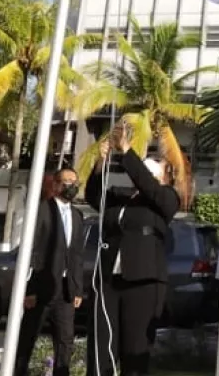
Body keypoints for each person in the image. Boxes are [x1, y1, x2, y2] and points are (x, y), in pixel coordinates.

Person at [85, 125, 181, 376]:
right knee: (101, 345)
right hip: (109, 280)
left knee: (135, 348)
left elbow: (150, 188)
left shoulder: (167, 199)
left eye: (150, 172)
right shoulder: (121, 197)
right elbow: (95, 197)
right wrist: (100, 164)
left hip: (143, 282)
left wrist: (127, 152)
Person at [15, 167, 86, 376]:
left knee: (65, 341)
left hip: (66, 291)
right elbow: (34, 251)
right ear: (56, 185)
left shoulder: (77, 215)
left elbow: (78, 255)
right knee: (28, 337)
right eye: (66, 182)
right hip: (41, 288)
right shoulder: (42, 211)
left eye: (74, 182)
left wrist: (77, 288)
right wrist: (30, 289)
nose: (71, 186)